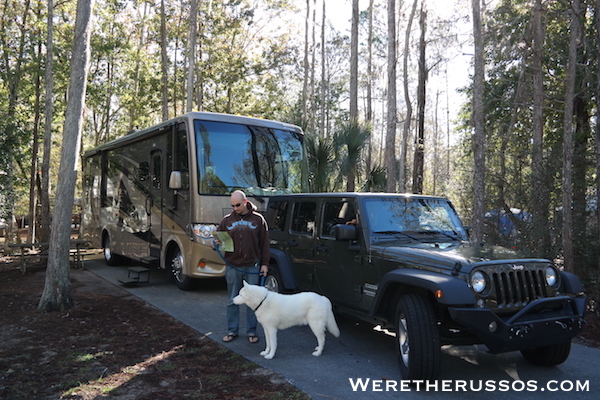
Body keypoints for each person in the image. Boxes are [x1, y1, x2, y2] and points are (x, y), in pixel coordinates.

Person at [214, 190, 269, 344]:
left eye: (238, 205)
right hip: (232, 266)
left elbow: (265, 243)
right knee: (232, 300)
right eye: (233, 206)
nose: (235, 208)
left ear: (245, 202)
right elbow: (219, 240)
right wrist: (216, 243)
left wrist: (265, 263)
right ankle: (232, 331)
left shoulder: (258, 220)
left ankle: (251, 332)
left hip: (252, 266)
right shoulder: (227, 221)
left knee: (252, 301)